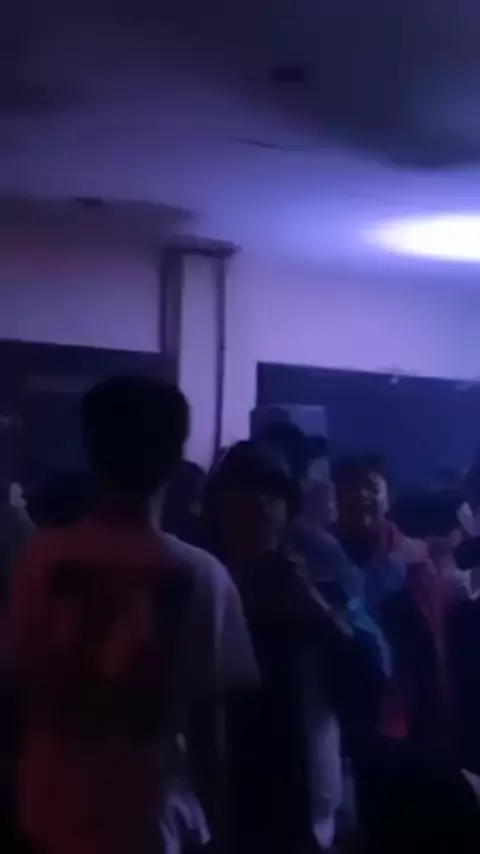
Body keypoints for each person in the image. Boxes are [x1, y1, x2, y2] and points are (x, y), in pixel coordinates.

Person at [9, 376, 258, 854]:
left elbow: (18, 685)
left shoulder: (40, 559)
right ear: (175, 458)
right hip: (155, 823)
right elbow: (209, 729)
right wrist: (221, 828)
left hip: (49, 814)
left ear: (92, 449)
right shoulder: (203, 575)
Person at [202, 441, 387, 853]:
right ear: (218, 510)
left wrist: (319, 615)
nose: (261, 503)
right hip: (219, 815)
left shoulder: (323, 587)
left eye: (273, 493)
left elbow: (372, 686)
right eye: (245, 491)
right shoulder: (200, 587)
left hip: (311, 817)